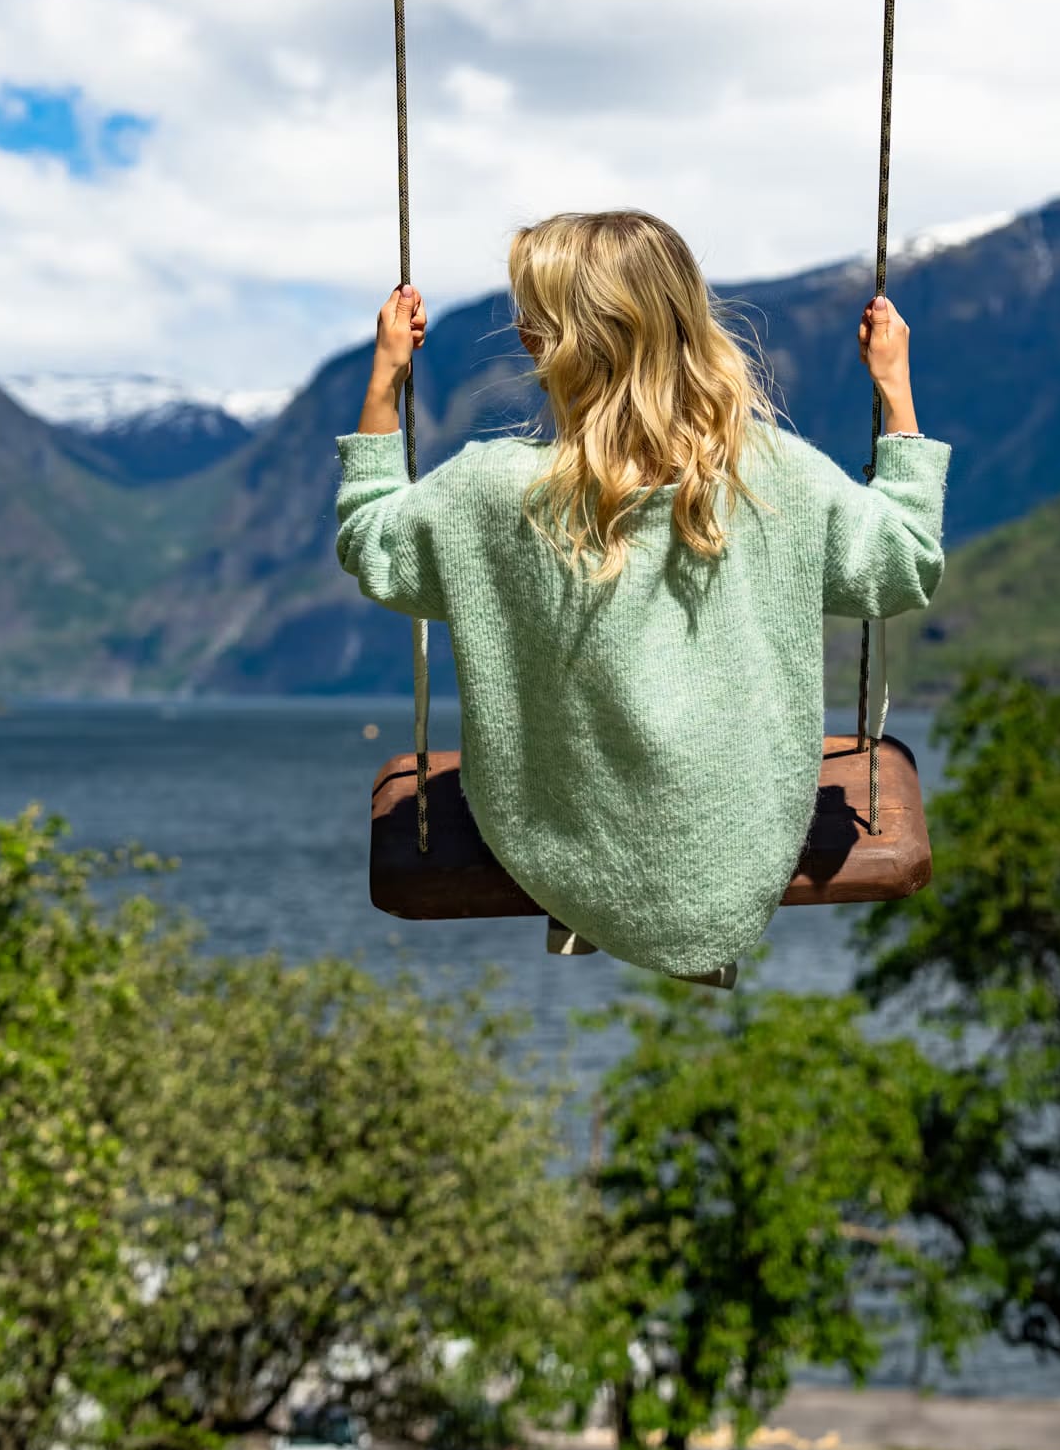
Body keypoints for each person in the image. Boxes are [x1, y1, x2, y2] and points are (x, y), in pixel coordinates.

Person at [335, 209, 949, 984]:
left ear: (545, 345)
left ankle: (589, 888)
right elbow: (900, 565)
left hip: (556, 831)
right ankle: (667, 889)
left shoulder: (492, 493)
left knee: (552, 781)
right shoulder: (772, 475)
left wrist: (385, 379)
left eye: (530, 316)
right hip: (738, 841)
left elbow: (373, 545)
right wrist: (894, 392)